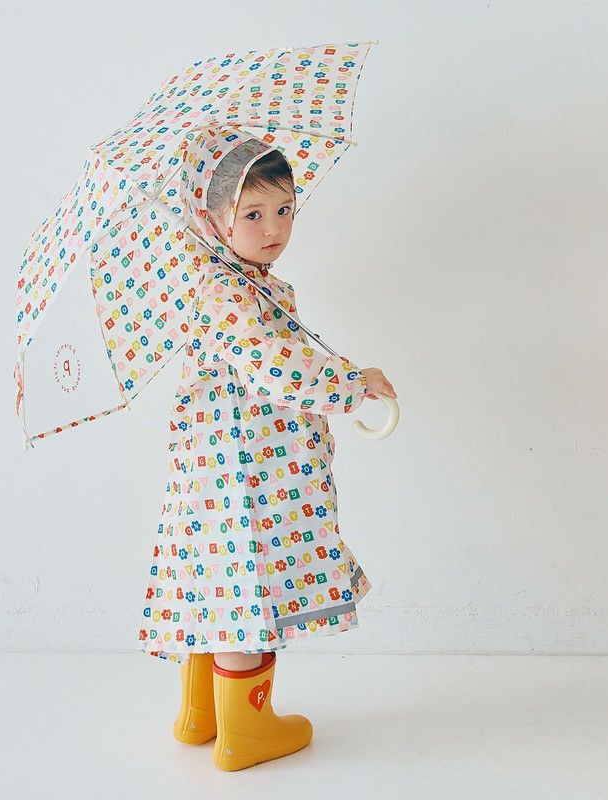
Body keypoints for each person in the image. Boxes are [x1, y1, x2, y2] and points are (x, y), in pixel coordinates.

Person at [137, 125, 396, 771]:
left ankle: (202, 714)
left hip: (224, 472)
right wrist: (351, 383)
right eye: (251, 214)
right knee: (245, 589)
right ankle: (246, 733)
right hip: (248, 475)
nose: (274, 228)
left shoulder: (235, 280)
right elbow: (278, 368)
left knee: (216, 583)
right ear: (212, 218)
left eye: (284, 209)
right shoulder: (227, 291)